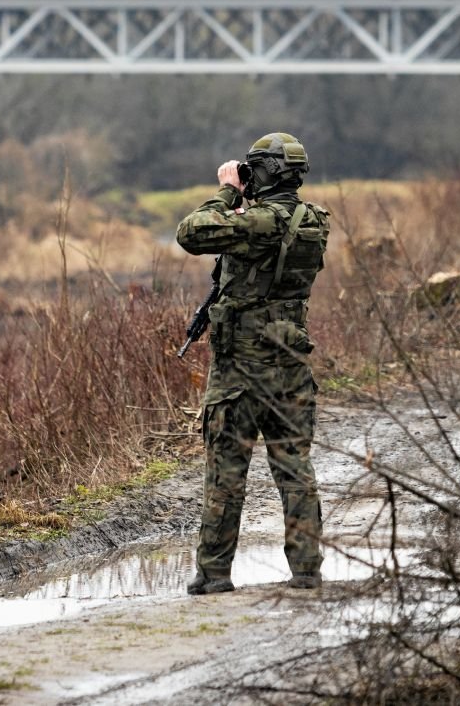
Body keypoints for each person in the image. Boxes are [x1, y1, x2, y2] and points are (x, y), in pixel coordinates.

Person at [176, 132, 330, 595]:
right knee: (294, 466)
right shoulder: (313, 221)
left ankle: (214, 573)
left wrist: (227, 190)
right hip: (290, 362)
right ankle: (306, 569)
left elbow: (191, 232)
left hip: (240, 366)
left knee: (226, 471)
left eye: (251, 168)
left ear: (263, 171)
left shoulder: (257, 222)